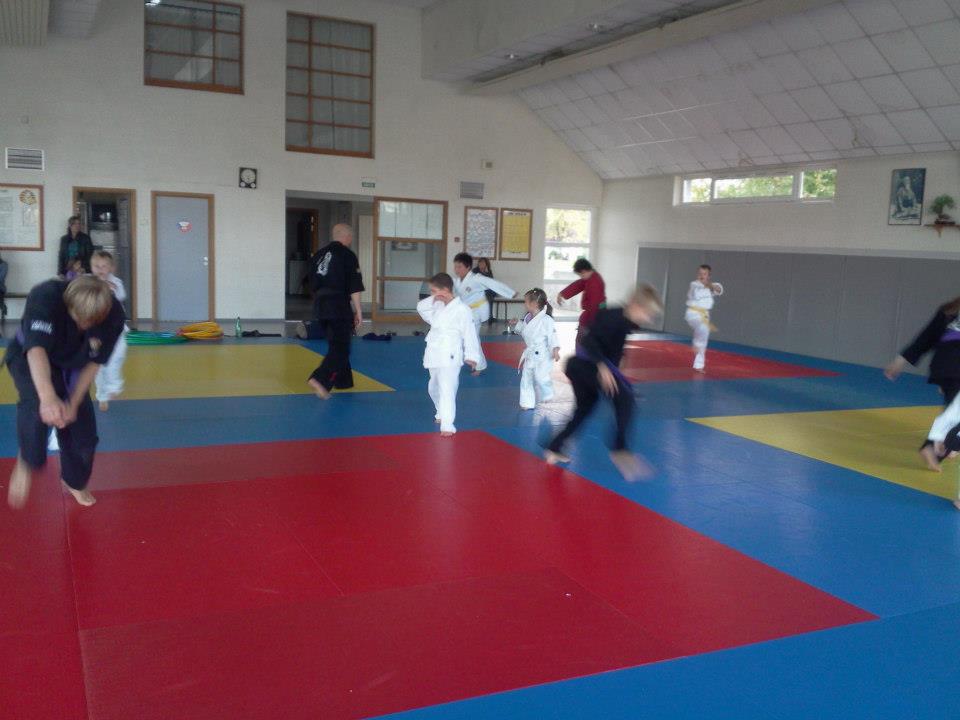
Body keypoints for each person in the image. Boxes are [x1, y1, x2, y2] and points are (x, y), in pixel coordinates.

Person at [5, 275, 125, 509]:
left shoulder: (113, 315)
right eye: (78, 320)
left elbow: (94, 362)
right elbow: (36, 349)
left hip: (73, 363)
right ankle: (27, 458)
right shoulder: (46, 297)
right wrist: (49, 397)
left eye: (88, 324)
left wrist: (74, 400)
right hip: (32, 356)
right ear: (68, 303)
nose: (82, 326)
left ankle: (74, 481)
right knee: (37, 407)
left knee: (84, 437)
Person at [544, 285, 663, 481]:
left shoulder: (624, 320)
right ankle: (619, 449)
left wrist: (616, 362)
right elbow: (588, 341)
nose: (648, 319)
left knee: (584, 410)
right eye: (647, 313)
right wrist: (603, 366)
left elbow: (611, 344)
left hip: (585, 368)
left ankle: (554, 447)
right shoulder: (613, 317)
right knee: (625, 399)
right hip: (585, 367)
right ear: (635, 305)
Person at [886, 296, 960, 470]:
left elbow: (925, 338)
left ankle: (943, 446)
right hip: (955, 366)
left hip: (943, 365)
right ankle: (938, 446)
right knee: (955, 410)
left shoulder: (950, 309)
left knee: (953, 408)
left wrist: (900, 359)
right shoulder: (950, 310)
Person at [416, 272, 481, 437]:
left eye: (433, 291)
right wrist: (434, 298)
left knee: (447, 389)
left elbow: (469, 334)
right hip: (434, 352)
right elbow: (420, 308)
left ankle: (447, 424)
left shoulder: (462, 309)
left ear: (444, 289)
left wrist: (472, 355)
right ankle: (440, 411)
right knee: (433, 386)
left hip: (450, 353)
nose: (431, 294)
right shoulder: (436, 305)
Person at [306, 224, 364, 400]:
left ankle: (343, 381)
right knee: (341, 348)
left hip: (320, 305)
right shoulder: (348, 255)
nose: (351, 240)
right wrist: (359, 312)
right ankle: (319, 379)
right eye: (351, 237)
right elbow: (354, 287)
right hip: (338, 304)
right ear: (347, 237)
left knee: (337, 342)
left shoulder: (318, 254)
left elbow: (311, 281)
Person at [452, 252, 515, 372]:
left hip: (476, 312)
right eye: (455, 266)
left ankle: (479, 364)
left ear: (468, 267)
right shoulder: (457, 281)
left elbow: (494, 284)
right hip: (466, 312)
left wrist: (510, 293)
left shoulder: (476, 279)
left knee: (472, 338)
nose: (456, 269)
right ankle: (475, 362)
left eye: (459, 266)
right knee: (468, 337)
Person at [90, 251, 129, 411]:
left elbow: (121, 296)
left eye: (104, 266)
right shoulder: (89, 282)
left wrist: (112, 288)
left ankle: (115, 384)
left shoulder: (116, 282)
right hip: (96, 329)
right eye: (97, 266)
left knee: (117, 356)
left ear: (111, 268)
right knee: (99, 364)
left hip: (116, 328)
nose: (100, 270)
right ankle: (102, 395)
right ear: (91, 268)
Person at [511, 288, 560, 410]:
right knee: (526, 378)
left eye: (526, 302)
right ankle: (526, 403)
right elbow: (525, 331)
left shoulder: (546, 320)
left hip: (543, 355)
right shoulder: (528, 317)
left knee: (540, 377)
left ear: (534, 304)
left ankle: (548, 392)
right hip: (530, 353)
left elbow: (552, 335)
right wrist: (516, 324)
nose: (524, 304)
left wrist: (555, 349)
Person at [557, 258, 606, 345]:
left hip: (594, 316)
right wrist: (562, 294)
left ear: (584, 271)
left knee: (583, 343)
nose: (581, 277)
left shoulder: (595, 283)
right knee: (584, 342)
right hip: (595, 314)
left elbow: (594, 306)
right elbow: (579, 284)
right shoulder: (591, 277)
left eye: (581, 275)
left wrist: (586, 323)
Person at [685, 264, 724, 372]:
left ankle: (698, 365)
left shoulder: (713, 285)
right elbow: (695, 290)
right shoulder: (693, 284)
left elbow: (719, 290)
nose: (702, 276)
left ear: (709, 275)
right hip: (693, 313)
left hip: (704, 315)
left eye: (704, 274)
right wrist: (704, 284)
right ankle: (696, 343)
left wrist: (709, 285)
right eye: (700, 273)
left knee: (704, 338)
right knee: (702, 329)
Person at [473, 257, 497, 325]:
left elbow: (491, 282)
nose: (481, 264)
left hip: (486, 291)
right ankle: (484, 317)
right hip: (477, 291)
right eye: (480, 263)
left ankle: (489, 317)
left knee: (490, 297)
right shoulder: (475, 271)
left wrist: (486, 272)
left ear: (486, 264)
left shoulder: (489, 271)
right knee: (487, 297)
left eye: (483, 263)